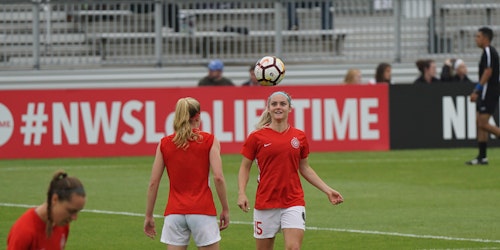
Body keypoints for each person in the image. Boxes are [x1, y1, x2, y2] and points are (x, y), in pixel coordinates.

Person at [237, 91, 344, 250]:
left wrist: (327, 190)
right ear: (268, 108)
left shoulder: (299, 136)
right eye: (274, 104)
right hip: (266, 202)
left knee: (293, 248)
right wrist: (241, 192)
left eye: (282, 104)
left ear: (290, 108)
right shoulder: (256, 137)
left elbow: (305, 167)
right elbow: (245, 167)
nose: (278, 107)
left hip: (293, 201)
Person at [144, 97, 230, 249]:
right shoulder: (209, 140)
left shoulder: (165, 143)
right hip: (202, 210)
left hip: (174, 212)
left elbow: (153, 182)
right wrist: (225, 208)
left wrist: (149, 215)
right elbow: (218, 177)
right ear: (198, 116)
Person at [7, 170, 86, 250]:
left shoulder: (63, 225)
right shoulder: (24, 231)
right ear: (55, 199)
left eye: (77, 212)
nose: (74, 218)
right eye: (71, 211)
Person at [466, 27, 500, 165]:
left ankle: (482, 156)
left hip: (489, 90)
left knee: (483, 123)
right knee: (479, 122)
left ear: (486, 38)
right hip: (486, 91)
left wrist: (477, 90)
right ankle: (482, 157)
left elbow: (488, 72)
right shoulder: (486, 52)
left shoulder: (489, 51)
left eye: (478, 36)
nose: (476, 39)